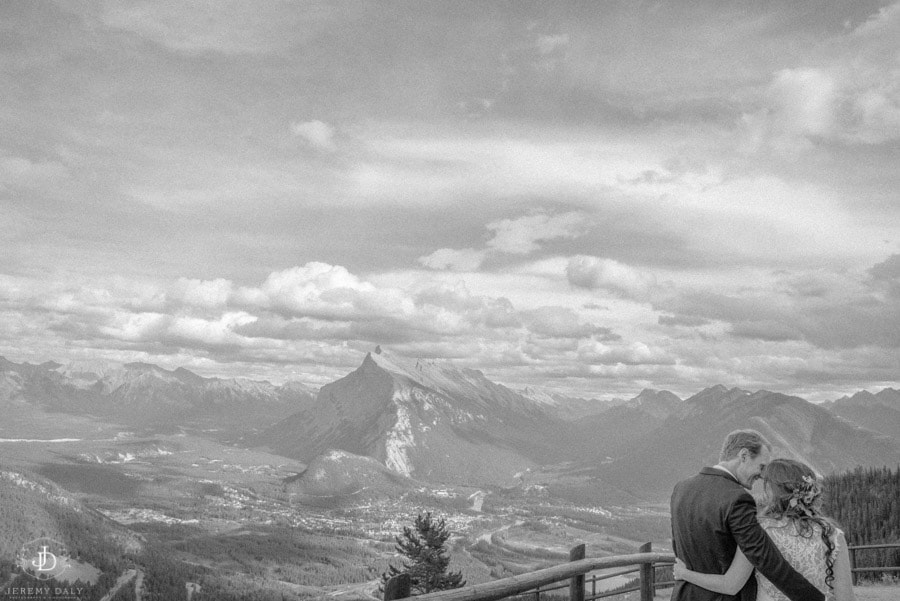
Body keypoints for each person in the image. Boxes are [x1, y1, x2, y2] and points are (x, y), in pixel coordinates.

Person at [670, 429, 824, 601]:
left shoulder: (681, 488)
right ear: (743, 456)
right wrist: (816, 599)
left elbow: (680, 548)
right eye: (761, 466)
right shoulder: (737, 498)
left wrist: (684, 574)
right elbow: (764, 557)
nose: (763, 475)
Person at [673, 458, 855, 601]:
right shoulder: (832, 535)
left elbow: (731, 585)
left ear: (773, 492)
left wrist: (685, 574)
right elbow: (846, 598)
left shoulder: (760, 530)